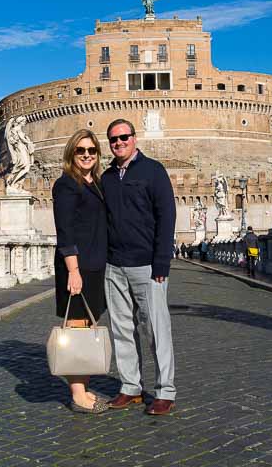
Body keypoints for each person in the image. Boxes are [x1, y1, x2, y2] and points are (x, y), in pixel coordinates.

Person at [101, 119, 178, 416]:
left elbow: (166, 216)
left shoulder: (153, 171)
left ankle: (165, 391)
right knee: (121, 330)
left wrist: (162, 261)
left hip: (147, 266)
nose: (119, 143)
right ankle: (130, 387)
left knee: (156, 330)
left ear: (134, 138)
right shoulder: (107, 177)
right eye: (113, 139)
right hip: (114, 266)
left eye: (123, 137)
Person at [51, 129, 110, 414]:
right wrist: (73, 270)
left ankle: (83, 387)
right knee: (76, 328)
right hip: (76, 266)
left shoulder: (96, 183)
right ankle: (77, 394)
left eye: (92, 150)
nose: (87, 155)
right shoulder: (66, 185)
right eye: (80, 150)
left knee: (88, 326)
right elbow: (65, 231)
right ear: (71, 154)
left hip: (95, 266)